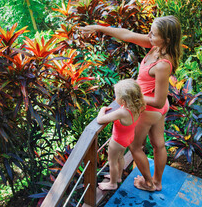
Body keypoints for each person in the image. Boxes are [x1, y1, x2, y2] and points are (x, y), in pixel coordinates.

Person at [78, 16, 182, 191]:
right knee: (158, 145)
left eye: (153, 33)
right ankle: (156, 182)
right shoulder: (156, 45)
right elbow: (126, 34)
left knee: (135, 147)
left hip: (150, 109)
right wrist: (98, 27)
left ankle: (149, 183)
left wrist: (133, 97)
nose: (148, 35)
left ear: (167, 39)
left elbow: (158, 101)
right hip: (151, 108)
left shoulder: (163, 64)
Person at [97, 79, 146, 190]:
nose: (115, 98)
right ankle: (118, 177)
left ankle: (112, 184)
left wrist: (102, 109)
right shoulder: (138, 106)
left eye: (116, 96)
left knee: (112, 162)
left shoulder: (122, 112)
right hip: (128, 138)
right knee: (120, 158)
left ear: (123, 101)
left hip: (117, 141)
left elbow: (100, 120)